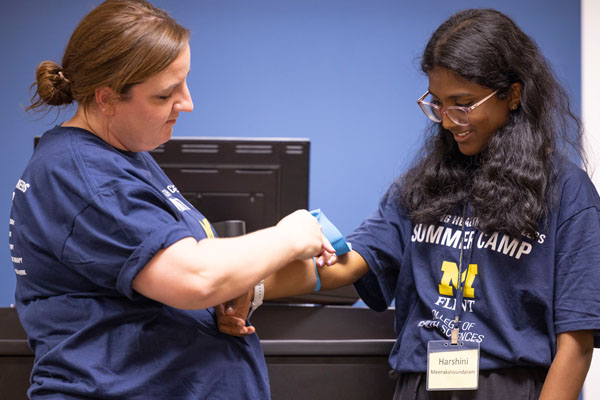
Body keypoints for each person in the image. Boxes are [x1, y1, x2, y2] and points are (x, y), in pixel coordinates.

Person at [218, 8, 600, 400]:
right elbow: (348, 262)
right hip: (421, 384)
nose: (448, 121)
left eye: (462, 103)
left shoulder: (567, 192)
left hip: (511, 387)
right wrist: (254, 286)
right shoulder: (422, 186)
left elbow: (576, 342)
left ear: (513, 95)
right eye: (437, 103)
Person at [9, 1, 334, 398]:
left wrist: (226, 289)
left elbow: (176, 276)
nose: (187, 103)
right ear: (106, 98)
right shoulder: (82, 173)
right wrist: (292, 234)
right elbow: (194, 278)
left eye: (184, 82)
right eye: (165, 95)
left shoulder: (122, 158)